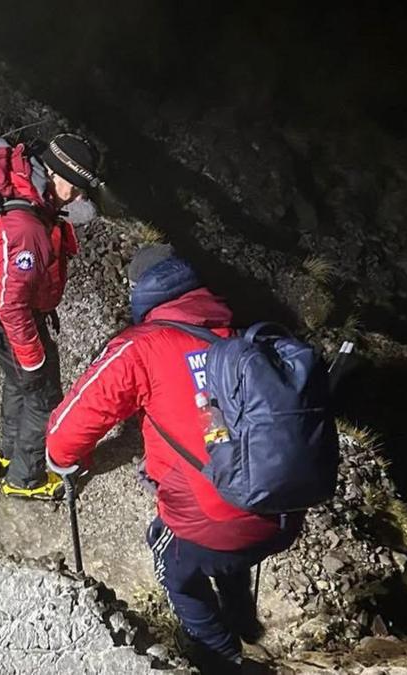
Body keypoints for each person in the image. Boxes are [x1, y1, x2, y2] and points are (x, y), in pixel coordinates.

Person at [45, 245, 305, 673]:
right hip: (284, 511)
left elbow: (65, 431)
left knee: (174, 561)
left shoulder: (143, 346)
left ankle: (220, 657)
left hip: (220, 525)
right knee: (224, 532)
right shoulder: (244, 338)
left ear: (142, 297)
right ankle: (241, 614)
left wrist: (61, 460)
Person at [0, 132, 102, 500]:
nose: (78, 197)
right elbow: (11, 302)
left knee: (18, 383)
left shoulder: (30, 190)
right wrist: (32, 356)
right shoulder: (25, 227)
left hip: (3, 320)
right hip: (11, 322)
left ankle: (9, 453)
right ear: (55, 172)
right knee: (43, 395)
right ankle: (25, 479)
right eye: (74, 187)